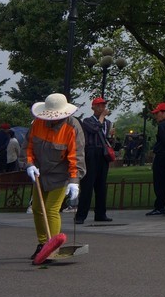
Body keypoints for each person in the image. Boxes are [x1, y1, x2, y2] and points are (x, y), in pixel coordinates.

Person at [25, 93, 80, 261]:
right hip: (40, 173)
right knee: (37, 208)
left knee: (51, 209)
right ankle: (43, 244)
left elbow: (76, 156)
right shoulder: (37, 123)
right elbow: (28, 146)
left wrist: (74, 181)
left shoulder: (72, 127)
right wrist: (29, 164)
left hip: (61, 175)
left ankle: (52, 247)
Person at [76, 96, 114, 224]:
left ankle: (100, 213)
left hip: (102, 153)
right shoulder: (87, 121)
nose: (102, 108)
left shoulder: (108, 123)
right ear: (93, 107)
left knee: (101, 185)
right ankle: (81, 215)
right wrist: (102, 117)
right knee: (88, 184)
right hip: (91, 152)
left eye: (103, 106)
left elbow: (106, 136)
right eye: (99, 106)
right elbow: (94, 129)